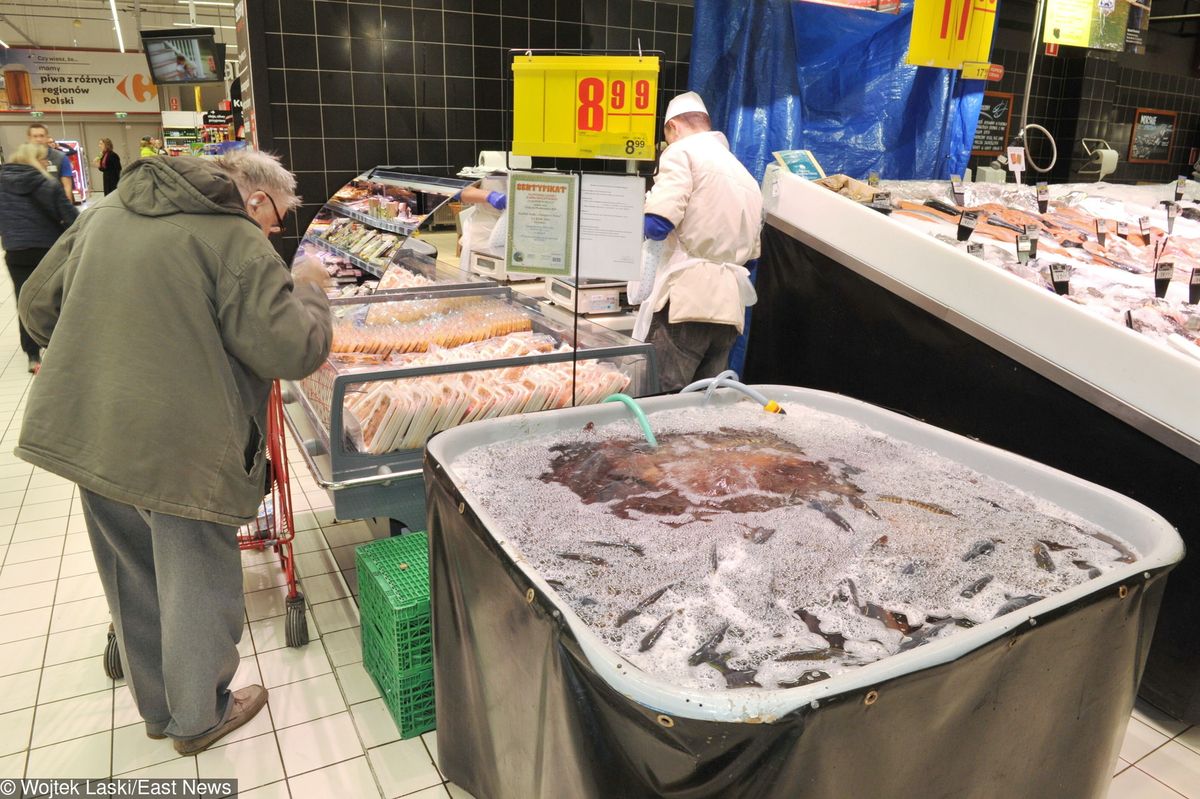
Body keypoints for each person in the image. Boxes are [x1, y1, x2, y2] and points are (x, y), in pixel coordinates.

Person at [15, 149, 333, 755]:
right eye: (277, 219)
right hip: (184, 448)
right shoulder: (233, 239)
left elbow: (37, 307)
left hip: (93, 431)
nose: (274, 232)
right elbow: (290, 351)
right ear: (256, 198)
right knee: (197, 584)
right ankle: (197, 718)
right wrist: (311, 293)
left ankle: (160, 708)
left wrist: (111, 348)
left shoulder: (106, 212)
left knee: (132, 577)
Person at [628, 91, 763, 392]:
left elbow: (658, 223)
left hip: (686, 306)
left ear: (673, 128)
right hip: (728, 313)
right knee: (702, 414)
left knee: (659, 404)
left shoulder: (682, 152)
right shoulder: (745, 176)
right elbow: (752, 259)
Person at [0, 143, 79, 373]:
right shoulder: (46, 184)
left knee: (24, 299)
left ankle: (33, 355)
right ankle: (60, 346)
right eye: (43, 159)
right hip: (49, 252)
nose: (47, 163)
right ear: (34, 160)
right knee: (59, 297)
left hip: (16, 251)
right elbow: (72, 218)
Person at [26, 123, 74, 200]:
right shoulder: (23, 159)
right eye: (35, 136)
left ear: (47, 137)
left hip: (55, 203)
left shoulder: (61, 158)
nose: (39, 139)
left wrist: (67, 207)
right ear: (29, 138)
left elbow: (67, 188)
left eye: (42, 136)